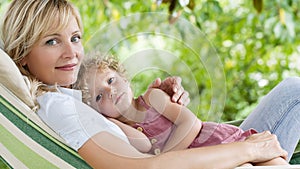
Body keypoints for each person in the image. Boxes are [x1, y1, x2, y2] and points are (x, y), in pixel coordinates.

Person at [1, 0, 298, 168]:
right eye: (52, 41)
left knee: (292, 91)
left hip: (213, 144)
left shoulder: (74, 97)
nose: (72, 53)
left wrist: (152, 108)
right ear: (23, 53)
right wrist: (248, 150)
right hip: (216, 155)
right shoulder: (60, 107)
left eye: (75, 38)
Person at [75, 55, 289, 166]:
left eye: (111, 80)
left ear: (125, 78)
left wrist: (167, 159)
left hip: (221, 144)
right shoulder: (122, 131)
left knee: (275, 163)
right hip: (210, 163)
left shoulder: (153, 98)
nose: (110, 91)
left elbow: (192, 124)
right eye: (99, 97)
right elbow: (143, 144)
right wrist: (112, 121)